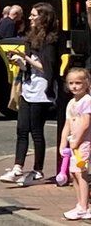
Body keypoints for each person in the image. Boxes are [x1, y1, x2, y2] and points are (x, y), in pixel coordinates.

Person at [0, 3, 60, 185]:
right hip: (28, 88)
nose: (30, 18)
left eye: (34, 15)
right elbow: (30, 66)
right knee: (21, 129)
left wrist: (25, 58)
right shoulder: (29, 38)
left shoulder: (50, 41)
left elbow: (47, 68)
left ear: (44, 18)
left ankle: (38, 169)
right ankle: (17, 167)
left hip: (42, 90)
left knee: (36, 131)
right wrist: (20, 61)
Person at [61, 68, 91, 220]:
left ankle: (84, 207)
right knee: (74, 174)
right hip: (74, 144)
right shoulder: (71, 103)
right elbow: (67, 124)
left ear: (86, 83)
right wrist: (62, 144)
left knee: (81, 174)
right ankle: (80, 204)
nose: (74, 86)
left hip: (84, 143)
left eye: (78, 83)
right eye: (71, 83)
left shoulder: (87, 101)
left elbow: (85, 123)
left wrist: (77, 141)